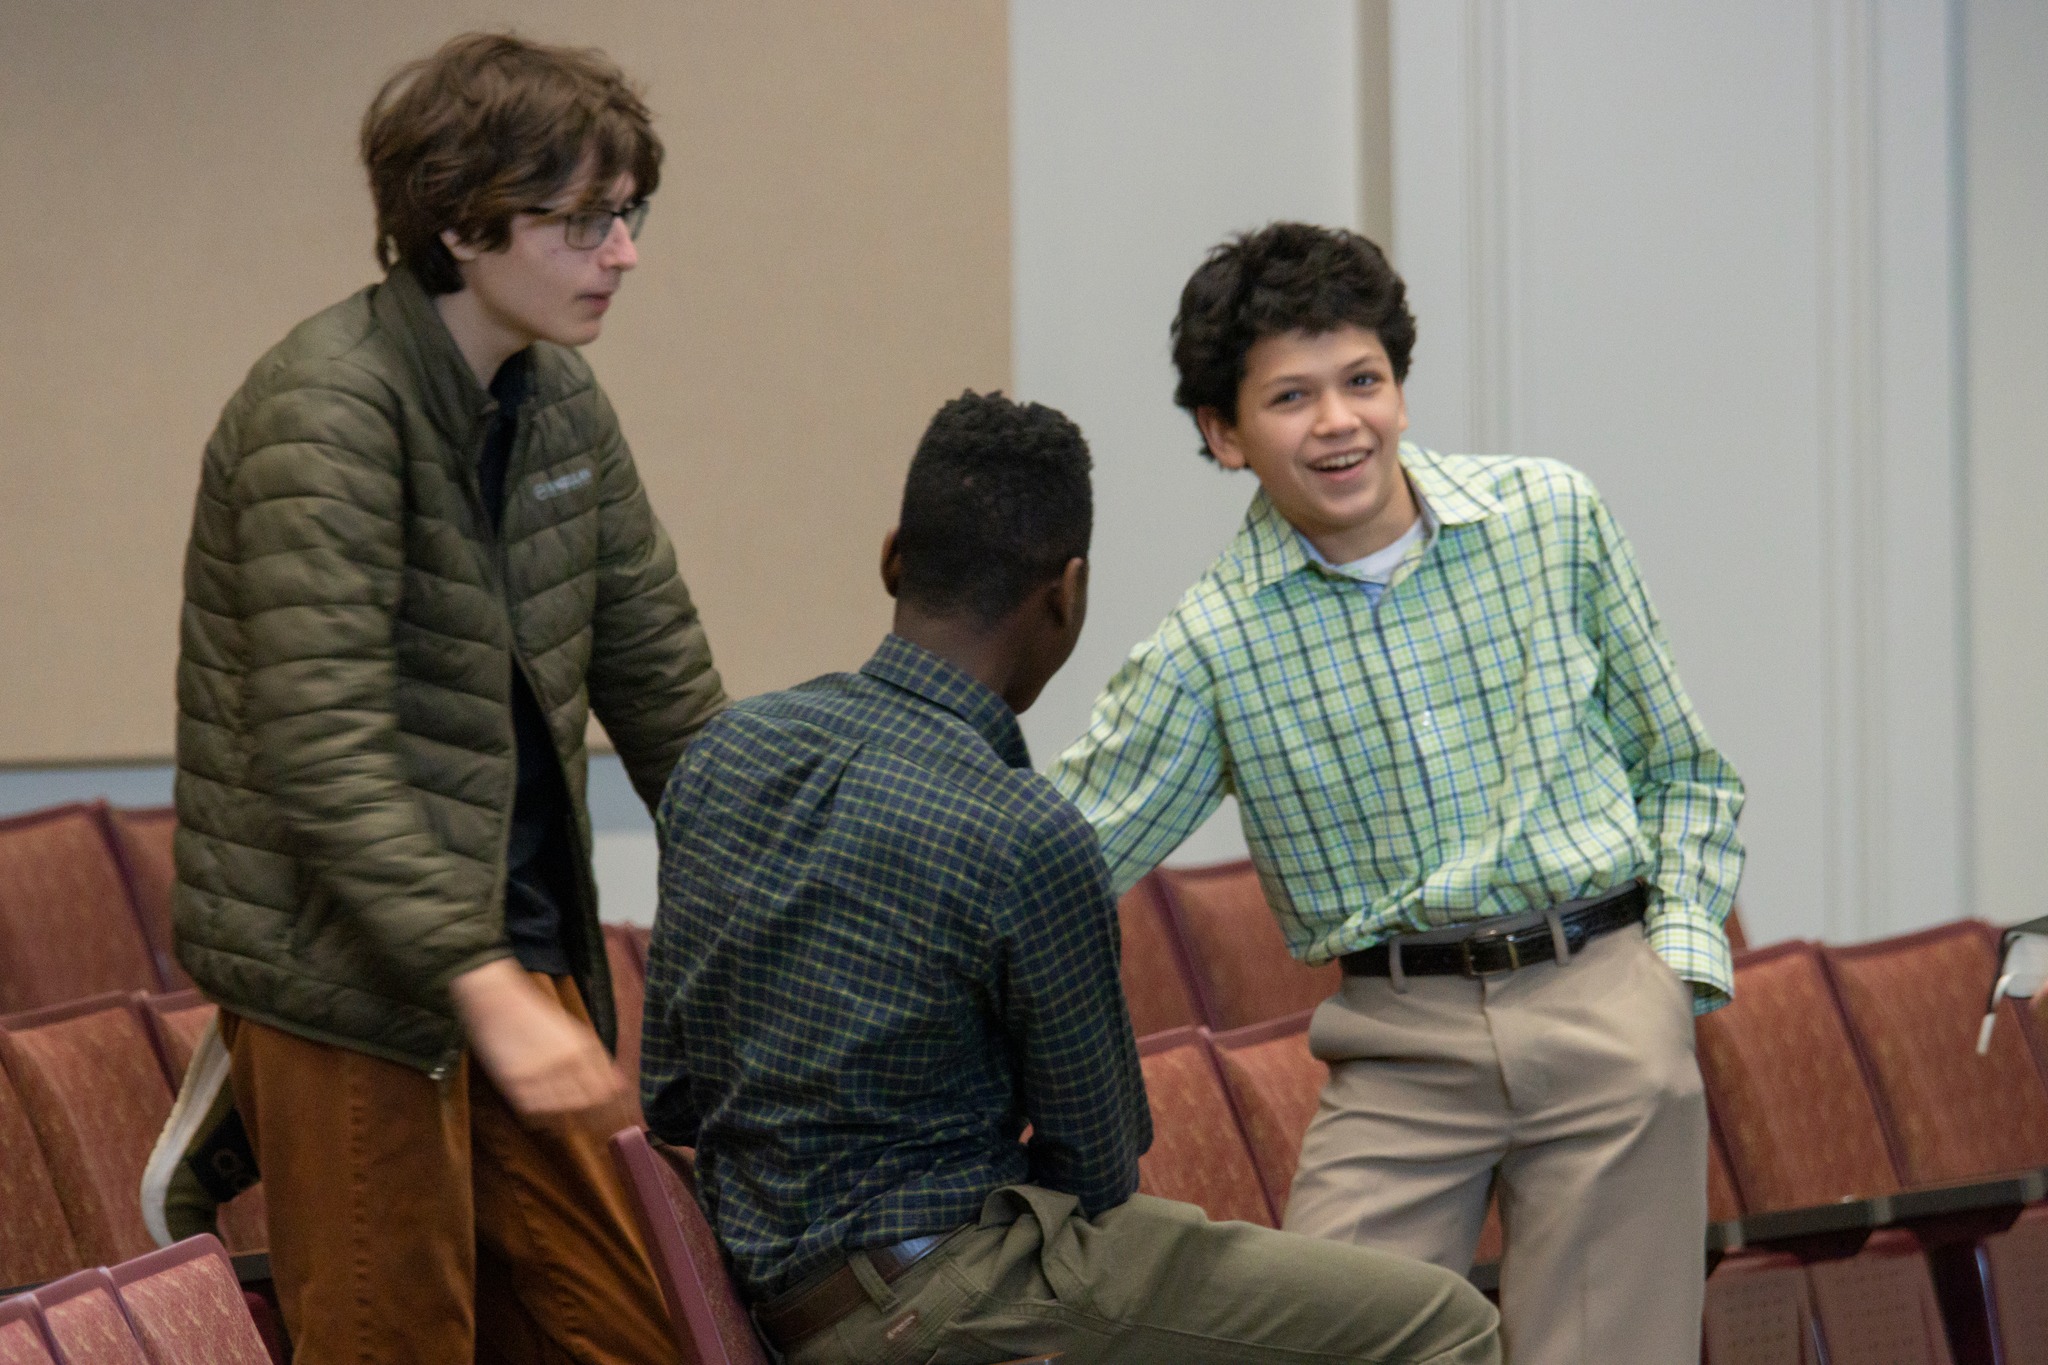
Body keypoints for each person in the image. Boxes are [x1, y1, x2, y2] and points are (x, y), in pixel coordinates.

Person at [641, 391, 1500, 1365]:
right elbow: (1095, 1168)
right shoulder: (1021, 831)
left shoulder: (725, 753)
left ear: (892, 557)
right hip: (951, 1300)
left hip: (786, 1303)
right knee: (1443, 1324)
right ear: (1068, 592)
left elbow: (670, 1098)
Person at [1047, 223, 1745, 1365]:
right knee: (1325, 1343)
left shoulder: (1550, 519)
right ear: (1221, 435)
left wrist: (1666, 978)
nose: (1337, 422)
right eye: (1289, 398)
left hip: (1603, 1005)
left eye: (1361, 381)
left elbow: (1682, 771)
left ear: (1399, 391)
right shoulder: (1207, 647)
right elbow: (1060, 855)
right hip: (1395, 1045)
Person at [157, 32, 725, 1364]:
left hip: (512, 962)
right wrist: (478, 985)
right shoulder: (326, 412)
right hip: (353, 986)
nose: (623, 252)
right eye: (583, 220)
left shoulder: (561, 402)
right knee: (393, 1340)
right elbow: (324, 751)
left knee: (635, 1335)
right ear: (464, 224)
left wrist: (804, 882)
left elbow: (671, 692)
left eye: (627, 212)